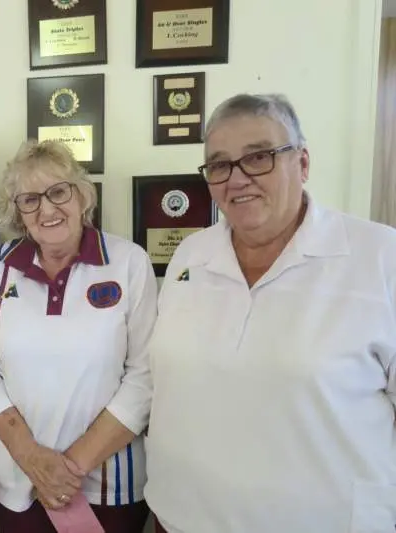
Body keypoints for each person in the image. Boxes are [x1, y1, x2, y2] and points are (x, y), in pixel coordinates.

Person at [145, 93, 396, 533]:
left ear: (303, 163)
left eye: (258, 157)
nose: (237, 179)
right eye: (219, 165)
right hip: (182, 519)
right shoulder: (191, 254)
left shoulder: (380, 256)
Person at [0, 140, 158, 533]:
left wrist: (67, 470)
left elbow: (145, 375)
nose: (47, 209)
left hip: (107, 487)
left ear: (82, 195)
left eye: (58, 192)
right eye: (30, 199)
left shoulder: (128, 262)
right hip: (17, 482)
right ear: (18, 212)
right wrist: (31, 458)